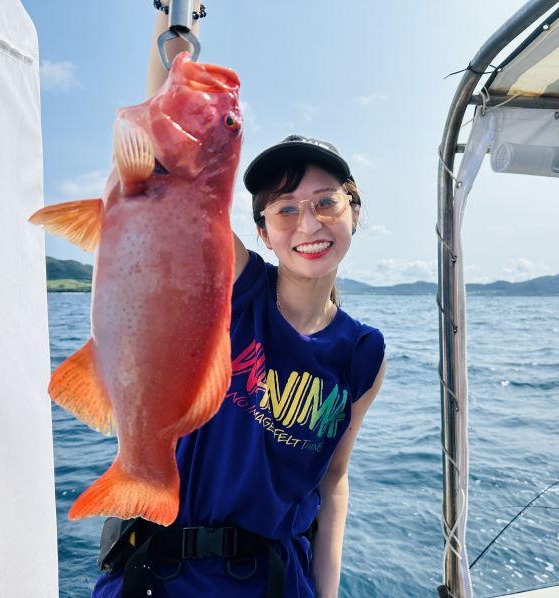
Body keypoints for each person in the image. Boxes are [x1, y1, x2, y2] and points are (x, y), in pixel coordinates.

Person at [92, 4, 385, 597]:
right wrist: (176, 24)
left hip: (276, 585)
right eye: (285, 209)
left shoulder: (362, 351)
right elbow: (163, 167)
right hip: (163, 579)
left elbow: (334, 481)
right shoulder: (239, 289)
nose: (308, 223)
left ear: (356, 212)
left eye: (327, 202)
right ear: (262, 231)